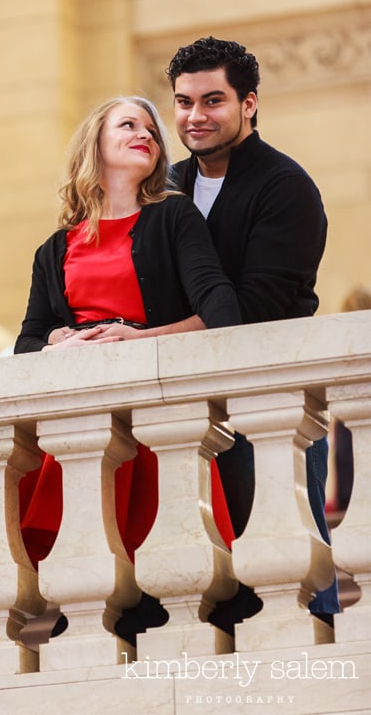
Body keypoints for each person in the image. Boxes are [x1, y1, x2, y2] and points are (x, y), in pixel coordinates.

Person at [14, 95, 242, 639]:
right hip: (84, 422)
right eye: (128, 124)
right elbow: (26, 342)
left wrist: (139, 339)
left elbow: (221, 313)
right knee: (90, 579)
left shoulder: (173, 217)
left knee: (162, 583)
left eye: (152, 130)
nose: (146, 134)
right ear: (95, 143)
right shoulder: (53, 250)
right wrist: (57, 346)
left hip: (157, 416)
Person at [166, 35, 339, 629]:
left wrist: (145, 337)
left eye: (213, 101)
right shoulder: (165, 186)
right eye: (184, 103)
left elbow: (256, 308)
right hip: (180, 408)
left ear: (250, 102)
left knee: (287, 555)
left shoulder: (286, 187)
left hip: (268, 401)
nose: (195, 116)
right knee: (202, 578)